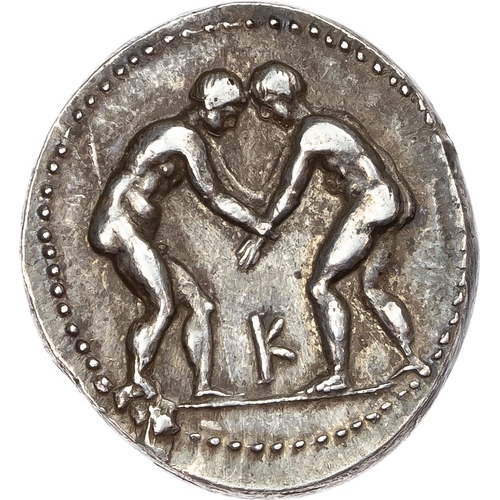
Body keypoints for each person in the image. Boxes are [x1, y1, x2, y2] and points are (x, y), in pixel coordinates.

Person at [238, 62, 430, 393]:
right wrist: (404, 205)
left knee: (320, 286)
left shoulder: (311, 133)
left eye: (267, 105)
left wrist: (261, 232)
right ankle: (414, 358)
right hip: (387, 201)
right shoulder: (332, 122)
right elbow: (383, 162)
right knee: (371, 288)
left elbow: (291, 191)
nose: (265, 115)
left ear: (284, 98)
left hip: (371, 204)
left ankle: (340, 374)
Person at [89, 69, 275, 409]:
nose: (232, 123)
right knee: (162, 306)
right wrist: (256, 223)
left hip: (136, 232)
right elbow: (213, 195)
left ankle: (201, 386)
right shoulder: (183, 137)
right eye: (229, 114)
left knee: (200, 304)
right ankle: (135, 381)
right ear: (210, 105)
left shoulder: (174, 134)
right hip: (120, 227)